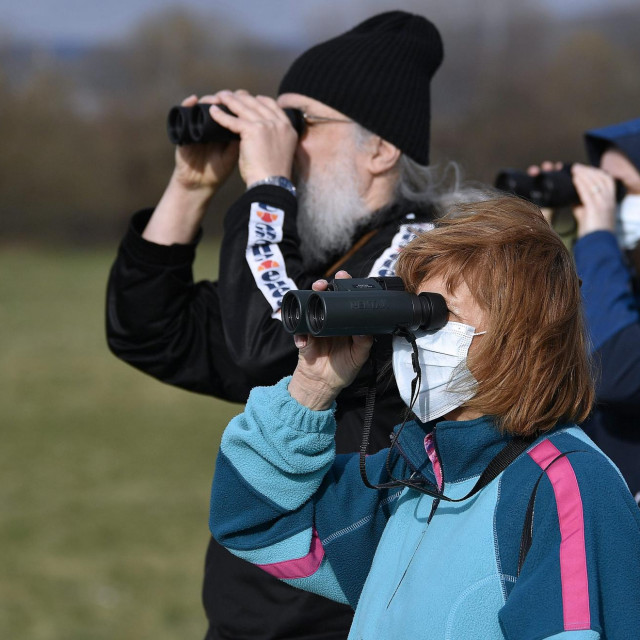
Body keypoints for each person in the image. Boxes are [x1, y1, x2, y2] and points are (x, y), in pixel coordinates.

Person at [106, 11, 464, 639]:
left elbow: (268, 345)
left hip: (344, 610)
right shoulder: (314, 255)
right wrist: (191, 185)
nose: (278, 139)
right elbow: (151, 331)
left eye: (298, 124)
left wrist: (267, 187)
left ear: (379, 149)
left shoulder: (424, 256)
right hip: (255, 604)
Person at [210, 196, 640, 640]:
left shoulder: (564, 484)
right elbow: (250, 519)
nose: (415, 337)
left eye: (439, 315)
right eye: (413, 313)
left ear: (521, 339)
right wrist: (313, 387)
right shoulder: (414, 476)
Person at [529, 116, 640, 504]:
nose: (604, 202)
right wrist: (546, 244)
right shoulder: (620, 276)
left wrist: (596, 235)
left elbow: (614, 367)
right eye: (599, 187)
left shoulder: (608, 266)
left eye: (620, 190)